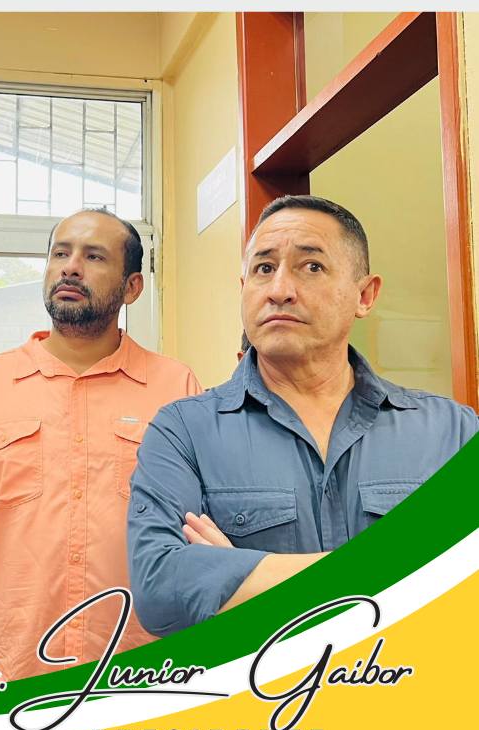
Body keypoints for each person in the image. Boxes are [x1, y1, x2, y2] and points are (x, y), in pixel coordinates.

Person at [128, 195, 479, 636]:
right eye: (264, 268)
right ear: (244, 288)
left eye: (311, 267)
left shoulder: (450, 431)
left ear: (365, 295)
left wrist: (238, 574)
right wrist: (409, 567)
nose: (279, 290)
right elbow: (161, 590)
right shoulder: (183, 431)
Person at [0, 208, 201, 689]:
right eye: (60, 254)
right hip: (8, 670)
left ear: (132, 287)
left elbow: (195, 534)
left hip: (138, 671)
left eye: (94, 256)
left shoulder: (175, 387)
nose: (71, 268)